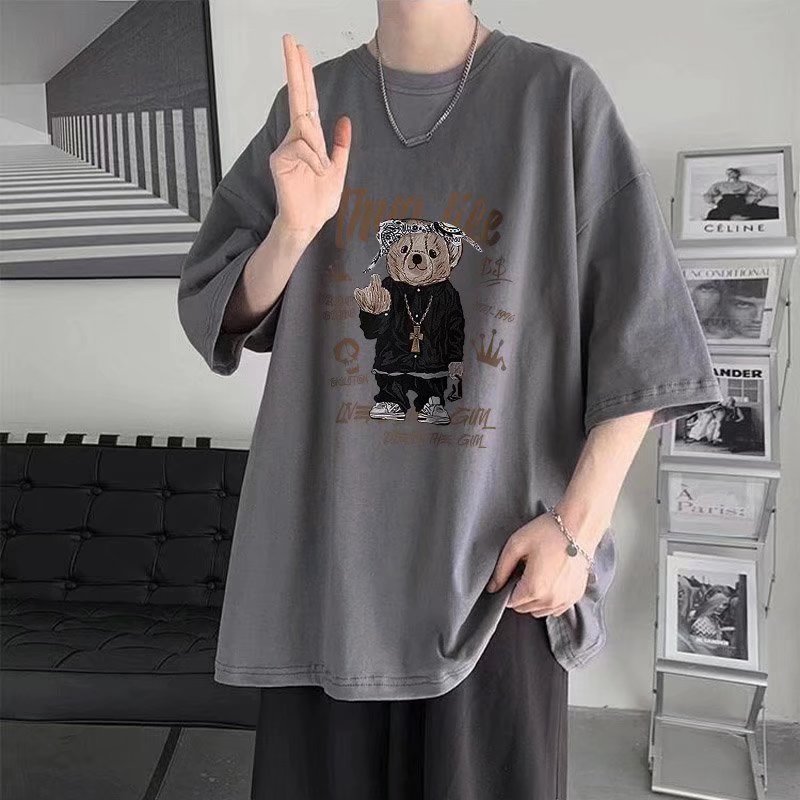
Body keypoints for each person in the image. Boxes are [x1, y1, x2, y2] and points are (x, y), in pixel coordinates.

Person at [176, 2, 724, 798]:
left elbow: (649, 337)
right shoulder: (311, 108)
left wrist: (576, 533)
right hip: (327, 579)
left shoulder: (557, 98)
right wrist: (292, 233)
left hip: (493, 582)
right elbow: (218, 306)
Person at [703, 166, 780, 220]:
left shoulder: (745, 183)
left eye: (732, 172)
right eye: (728, 173)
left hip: (740, 202)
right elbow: (708, 194)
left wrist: (757, 198)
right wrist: (711, 201)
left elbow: (761, 191)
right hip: (726, 202)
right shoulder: (720, 184)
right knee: (714, 215)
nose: (730, 174)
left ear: (737, 174)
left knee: (764, 212)